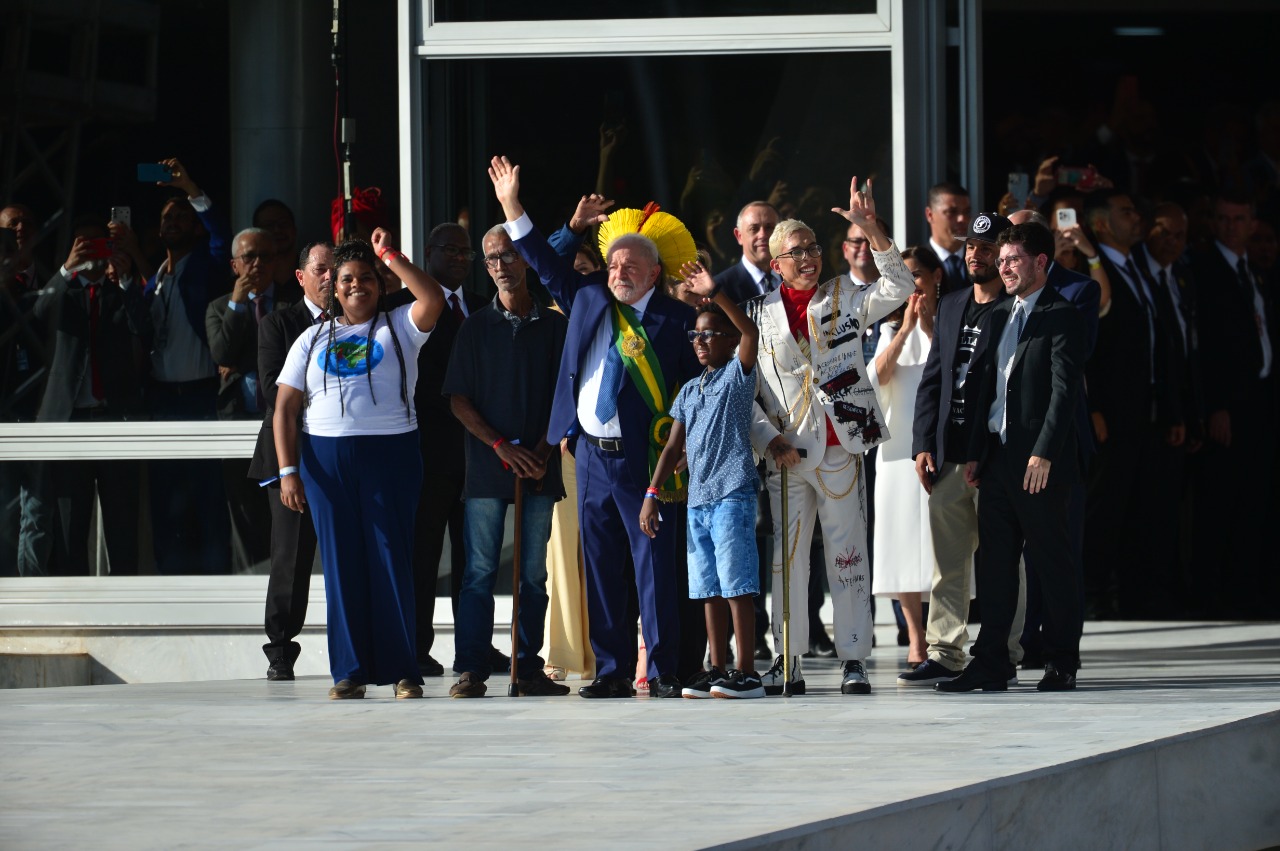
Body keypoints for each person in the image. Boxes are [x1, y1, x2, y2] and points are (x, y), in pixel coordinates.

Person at [490, 155, 702, 700]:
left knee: (654, 567)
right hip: (588, 456)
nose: (618, 272)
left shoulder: (677, 322)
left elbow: (698, 393)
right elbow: (539, 259)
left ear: (655, 272)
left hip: (648, 461)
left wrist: (684, 452)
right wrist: (512, 205)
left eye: (630, 266)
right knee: (601, 567)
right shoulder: (586, 299)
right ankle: (609, 670)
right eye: (612, 264)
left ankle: (661, 669)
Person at [746, 176, 915, 696]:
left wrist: (873, 232)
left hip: (841, 445)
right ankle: (788, 658)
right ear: (776, 264)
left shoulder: (844, 295)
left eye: (814, 248)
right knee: (787, 559)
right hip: (787, 451)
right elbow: (746, 391)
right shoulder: (757, 314)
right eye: (796, 252)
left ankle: (854, 658)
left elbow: (901, 287)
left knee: (847, 553)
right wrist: (765, 439)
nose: (809, 258)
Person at [273, 230, 444, 699]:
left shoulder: (400, 327)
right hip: (325, 464)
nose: (355, 286)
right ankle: (348, 672)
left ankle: (403, 670)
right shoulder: (309, 339)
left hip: (390, 455)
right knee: (342, 566)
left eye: (366, 278)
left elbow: (431, 296)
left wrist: (391, 254)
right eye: (346, 279)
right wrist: (289, 471)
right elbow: (285, 408)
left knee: (391, 560)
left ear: (381, 283)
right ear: (334, 287)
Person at [937, 222, 1088, 693]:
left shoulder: (1062, 314)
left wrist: (1044, 453)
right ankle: (992, 661)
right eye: (1000, 260)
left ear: (1041, 262)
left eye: (1013, 259)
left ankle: (1061, 659)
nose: (1003, 267)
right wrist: (978, 453)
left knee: (1051, 561)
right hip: (998, 459)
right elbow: (985, 389)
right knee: (995, 564)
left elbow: (1065, 393)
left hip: (1040, 462)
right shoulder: (1000, 312)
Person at [445, 225, 570, 698]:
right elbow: (458, 399)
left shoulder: (556, 325)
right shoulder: (475, 325)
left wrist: (539, 450)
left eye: (508, 255)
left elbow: (569, 395)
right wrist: (501, 447)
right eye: (491, 259)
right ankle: (471, 668)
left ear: (527, 260)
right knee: (478, 571)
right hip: (487, 467)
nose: (499, 266)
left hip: (539, 466)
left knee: (533, 574)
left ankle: (527, 665)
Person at [903, 213, 1016, 687]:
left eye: (987, 247)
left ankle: (1006, 649)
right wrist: (922, 444)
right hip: (948, 456)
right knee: (947, 563)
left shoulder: (1015, 309)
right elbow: (933, 381)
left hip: (995, 458)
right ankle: (945, 651)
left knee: (1004, 561)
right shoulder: (949, 304)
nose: (976, 254)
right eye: (971, 246)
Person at [640, 261, 763, 698]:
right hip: (697, 500)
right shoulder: (690, 390)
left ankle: (747, 671)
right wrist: (652, 493)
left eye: (710, 334)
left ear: (729, 342)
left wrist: (716, 295)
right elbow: (673, 448)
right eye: (695, 335)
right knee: (708, 588)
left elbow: (750, 335)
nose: (700, 342)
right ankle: (718, 666)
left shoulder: (737, 375)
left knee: (737, 585)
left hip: (732, 493)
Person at [386, 222, 494, 678]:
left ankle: (475, 649)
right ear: (427, 253)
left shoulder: (485, 309)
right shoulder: (399, 309)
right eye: (450, 250)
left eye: (466, 253)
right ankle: (415, 647)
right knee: (423, 554)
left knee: (475, 559)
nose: (458, 258)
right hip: (425, 451)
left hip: (476, 454)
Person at [34, 217, 147, 575]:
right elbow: (34, 317)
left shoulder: (120, 293)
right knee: (70, 521)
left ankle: (126, 601)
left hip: (114, 418)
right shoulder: (62, 293)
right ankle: (74, 605)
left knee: (122, 519)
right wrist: (67, 268)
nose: (94, 252)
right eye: (86, 244)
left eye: (101, 244)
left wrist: (127, 277)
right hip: (69, 422)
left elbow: (145, 328)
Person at [141, 158, 232, 574]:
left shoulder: (204, 266)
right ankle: (169, 585)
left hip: (199, 396)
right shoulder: (155, 278)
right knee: (166, 501)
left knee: (207, 499)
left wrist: (190, 188)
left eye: (181, 216)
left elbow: (220, 238)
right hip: (161, 399)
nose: (173, 221)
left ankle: (217, 587)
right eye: (167, 217)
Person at [252, 241, 333, 680]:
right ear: (301, 276)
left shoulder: (354, 320)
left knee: (346, 554)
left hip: (339, 456)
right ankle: (280, 651)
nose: (329, 277)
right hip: (291, 460)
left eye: (333, 269)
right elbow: (270, 390)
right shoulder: (279, 323)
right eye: (320, 269)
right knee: (291, 559)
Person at [868, 246, 939, 668]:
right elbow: (875, 380)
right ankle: (916, 640)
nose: (913, 286)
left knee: (941, 546)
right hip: (896, 454)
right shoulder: (887, 328)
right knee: (899, 546)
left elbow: (952, 369)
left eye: (919, 276)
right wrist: (904, 330)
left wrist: (927, 325)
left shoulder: (951, 323)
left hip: (938, 448)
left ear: (934, 279)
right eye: (905, 277)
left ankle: (944, 635)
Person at [207, 227, 282, 573]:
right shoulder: (219, 307)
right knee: (243, 512)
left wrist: (239, 362)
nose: (257, 264)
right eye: (249, 257)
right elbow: (221, 351)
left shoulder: (291, 304)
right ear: (234, 265)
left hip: (281, 423)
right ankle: (250, 583)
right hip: (236, 423)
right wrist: (238, 302)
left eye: (265, 256)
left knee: (282, 509)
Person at [713, 201, 780, 304]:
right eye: (754, 229)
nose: (763, 235)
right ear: (739, 236)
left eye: (769, 227)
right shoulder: (719, 289)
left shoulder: (798, 278)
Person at [925, 183, 972, 294]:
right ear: (930, 215)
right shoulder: (917, 264)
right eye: (952, 212)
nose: (962, 219)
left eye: (967, 212)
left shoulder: (982, 260)